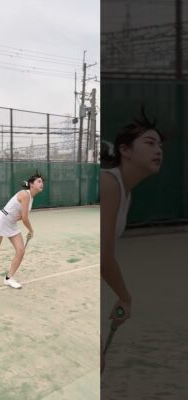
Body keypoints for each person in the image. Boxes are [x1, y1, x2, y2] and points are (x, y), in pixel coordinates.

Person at [100, 108, 163, 372]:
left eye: (160, 145)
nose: (158, 150)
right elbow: (103, 257)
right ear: (125, 150)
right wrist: (125, 298)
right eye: (149, 143)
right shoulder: (108, 184)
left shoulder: (125, 193)